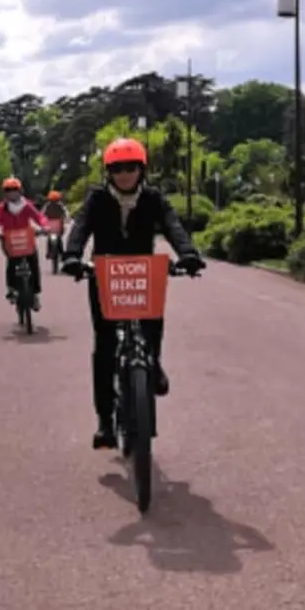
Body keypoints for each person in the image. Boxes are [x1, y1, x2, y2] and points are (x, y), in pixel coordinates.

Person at [60, 137, 205, 450]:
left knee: (152, 325)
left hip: (143, 273)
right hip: (105, 275)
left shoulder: (153, 198)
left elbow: (172, 225)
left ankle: (153, 362)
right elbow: (81, 226)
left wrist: (188, 254)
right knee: (105, 346)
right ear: (108, 172)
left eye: (130, 167)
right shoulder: (97, 198)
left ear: (142, 169)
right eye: (117, 168)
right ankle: (105, 421)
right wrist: (72, 256)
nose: (124, 174)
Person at [0, 177, 49, 310]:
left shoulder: (27, 205)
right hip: (10, 241)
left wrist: (45, 226)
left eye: (14, 190)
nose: (12, 193)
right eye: (8, 190)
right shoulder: (2, 208)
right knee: (11, 264)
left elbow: (39, 217)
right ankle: (11, 289)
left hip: (27, 240)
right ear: (4, 193)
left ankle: (35, 294)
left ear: (20, 191)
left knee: (34, 264)